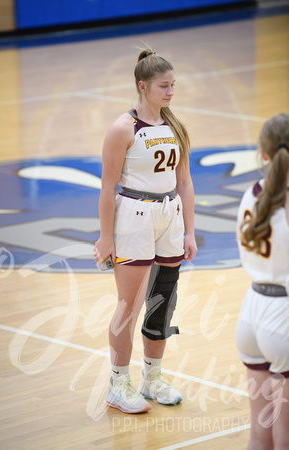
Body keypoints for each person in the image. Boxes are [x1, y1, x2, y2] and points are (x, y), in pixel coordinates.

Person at [93, 47, 197, 414]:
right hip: (133, 216)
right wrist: (106, 237)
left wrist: (189, 231)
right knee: (130, 304)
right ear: (143, 86)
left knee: (162, 303)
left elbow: (184, 181)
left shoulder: (175, 127)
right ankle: (118, 383)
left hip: (169, 215)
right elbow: (107, 187)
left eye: (173, 85)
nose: (171, 92)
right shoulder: (123, 128)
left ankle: (152, 377)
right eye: (164, 86)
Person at [236, 113, 289, 448]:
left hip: (251, 312)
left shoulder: (250, 195)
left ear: (263, 154)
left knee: (260, 434)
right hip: (283, 316)